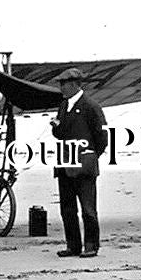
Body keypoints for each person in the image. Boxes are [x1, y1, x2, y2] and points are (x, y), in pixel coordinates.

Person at [50, 68, 108, 258]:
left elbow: (102, 136)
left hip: (83, 165)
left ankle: (91, 245)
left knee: (88, 209)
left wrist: (90, 157)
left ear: (74, 84)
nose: (61, 88)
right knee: (67, 209)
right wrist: (56, 128)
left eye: (63, 84)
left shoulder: (91, 106)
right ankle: (73, 246)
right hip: (65, 164)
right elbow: (61, 134)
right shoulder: (63, 105)